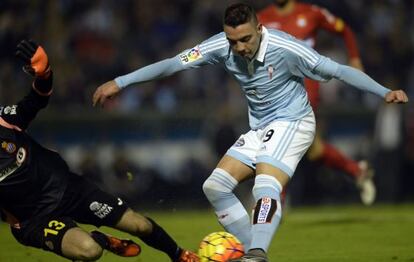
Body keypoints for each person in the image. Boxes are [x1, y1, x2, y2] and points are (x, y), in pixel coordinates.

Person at [92, 3, 408, 262]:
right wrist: (120, 82)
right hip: (260, 127)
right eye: (233, 41)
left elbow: (338, 71)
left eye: (245, 39)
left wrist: (383, 92)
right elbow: (174, 64)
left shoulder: (287, 48)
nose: (239, 47)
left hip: (294, 121)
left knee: (265, 185)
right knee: (214, 187)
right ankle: (251, 254)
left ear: (259, 29)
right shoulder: (220, 45)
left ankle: (256, 254)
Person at [0, 40, 198, 262]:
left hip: (67, 188)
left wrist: (44, 73)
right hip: (33, 220)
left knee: (139, 225)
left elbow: (36, 101)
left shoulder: (4, 121)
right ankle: (101, 240)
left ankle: (179, 255)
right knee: (90, 251)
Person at [257, 0, 375, 205]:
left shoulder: (311, 13)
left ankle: (277, 200)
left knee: (282, 136)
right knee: (315, 150)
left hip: (305, 85)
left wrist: (355, 59)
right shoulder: (261, 19)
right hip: (275, 86)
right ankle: (357, 171)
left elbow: (344, 29)